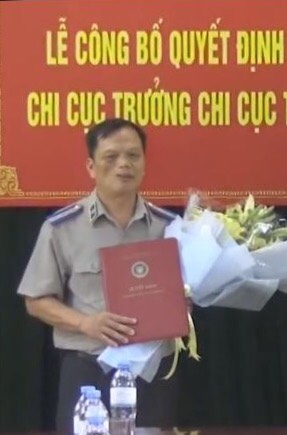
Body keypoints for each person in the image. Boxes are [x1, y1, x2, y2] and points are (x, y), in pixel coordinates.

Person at [17, 118, 182, 432]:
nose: (124, 164)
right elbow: (35, 300)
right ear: (91, 167)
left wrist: (182, 304)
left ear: (144, 164)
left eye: (133, 156)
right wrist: (86, 323)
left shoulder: (170, 227)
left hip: (151, 373)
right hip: (87, 369)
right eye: (111, 156)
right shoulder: (62, 228)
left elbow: (188, 291)